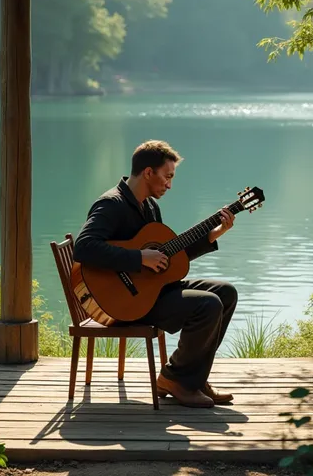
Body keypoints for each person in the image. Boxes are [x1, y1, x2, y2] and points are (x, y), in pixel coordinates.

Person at [73, 139, 238, 408]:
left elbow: (165, 261)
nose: (169, 184)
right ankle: (177, 379)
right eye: (167, 176)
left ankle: (193, 378)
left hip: (151, 292)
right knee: (208, 304)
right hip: (125, 302)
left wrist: (214, 234)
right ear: (148, 172)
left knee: (225, 293)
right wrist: (139, 257)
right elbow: (84, 247)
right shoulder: (111, 204)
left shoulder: (149, 206)